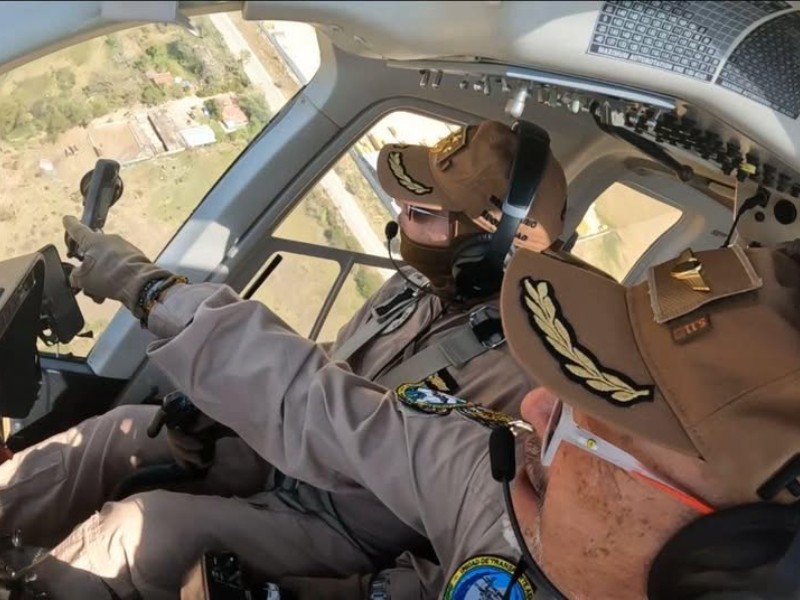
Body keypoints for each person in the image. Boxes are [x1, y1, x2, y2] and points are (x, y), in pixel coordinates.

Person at [50, 209, 800, 599]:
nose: (537, 408)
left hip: (335, 519)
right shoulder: (503, 482)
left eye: (595, 419)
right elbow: (335, 409)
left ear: (725, 565)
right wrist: (149, 292)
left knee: (141, 530)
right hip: (303, 491)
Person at [1, 121, 570, 598]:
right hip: (285, 455)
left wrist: (148, 290)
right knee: (113, 436)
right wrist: (221, 411)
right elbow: (336, 367)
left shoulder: (534, 386)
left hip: (340, 525)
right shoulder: (419, 287)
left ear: (489, 246)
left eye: (421, 210)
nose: (401, 218)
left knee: (131, 536)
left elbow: (467, 534)